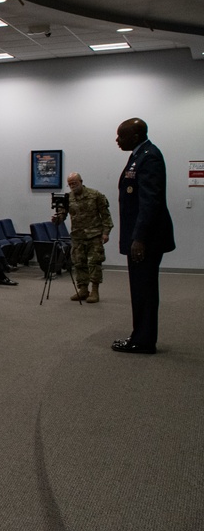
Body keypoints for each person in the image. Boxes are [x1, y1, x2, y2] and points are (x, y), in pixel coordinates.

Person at [112, 118, 175, 354]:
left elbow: (150, 202)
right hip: (140, 236)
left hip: (145, 239)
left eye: (121, 136)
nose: (117, 140)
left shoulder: (149, 157)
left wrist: (139, 238)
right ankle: (140, 335)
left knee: (144, 290)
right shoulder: (139, 154)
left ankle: (144, 340)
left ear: (135, 136)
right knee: (140, 290)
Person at [52, 172, 113, 302]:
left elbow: (106, 215)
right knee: (79, 263)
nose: (72, 186)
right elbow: (63, 214)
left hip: (94, 235)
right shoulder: (68, 198)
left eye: (75, 183)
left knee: (94, 263)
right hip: (77, 236)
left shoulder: (95, 195)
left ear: (81, 181)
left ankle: (95, 290)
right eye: (70, 184)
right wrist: (57, 218)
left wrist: (106, 232)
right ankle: (83, 289)